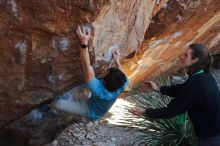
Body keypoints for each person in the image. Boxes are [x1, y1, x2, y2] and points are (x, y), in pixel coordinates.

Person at [129, 44, 220, 146]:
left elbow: (170, 111)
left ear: (195, 60)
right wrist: (159, 89)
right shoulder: (205, 76)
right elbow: (182, 90)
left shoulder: (194, 84)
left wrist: (145, 112)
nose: (181, 56)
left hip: (212, 138)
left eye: (186, 55)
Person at [54, 26, 128, 121]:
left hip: (91, 111)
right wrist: (117, 61)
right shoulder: (123, 82)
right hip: (95, 99)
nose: (106, 70)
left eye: (106, 72)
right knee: (86, 87)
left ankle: (49, 106)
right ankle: (78, 97)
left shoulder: (99, 90)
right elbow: (121, 73)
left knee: (58, 104)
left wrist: (84, 42)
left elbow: (86, 65)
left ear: (104, 82)